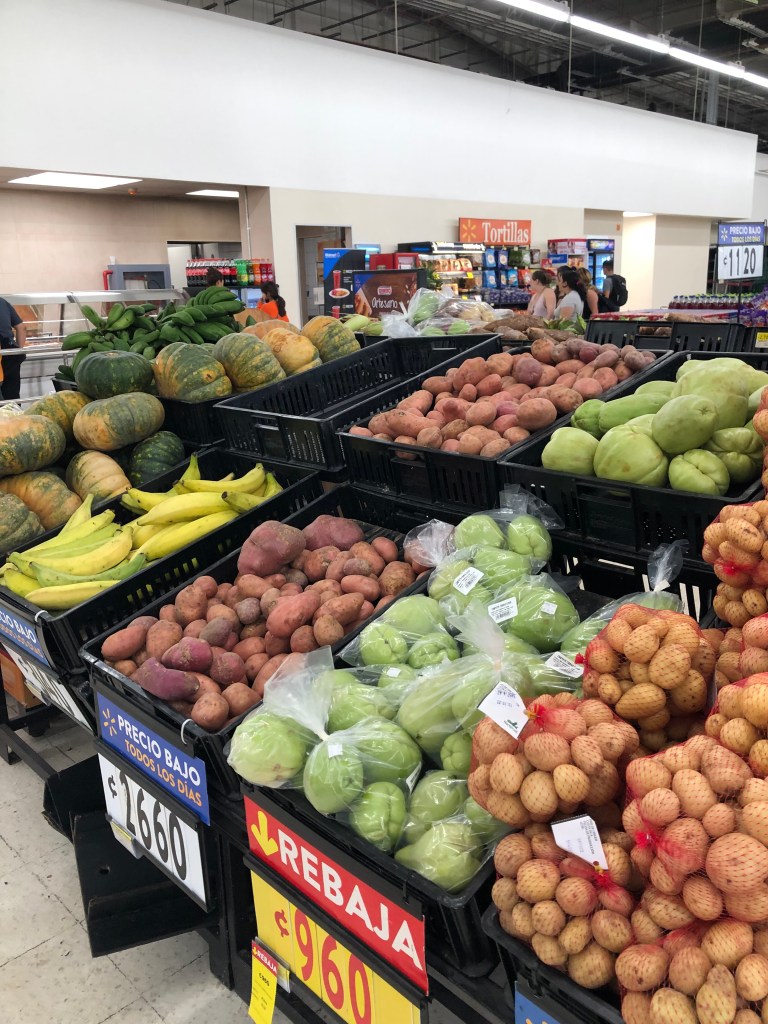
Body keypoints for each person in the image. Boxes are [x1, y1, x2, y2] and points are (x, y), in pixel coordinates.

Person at [0, 295, 26, 400]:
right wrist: (19, 350)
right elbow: (21, 328)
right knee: (12, 395)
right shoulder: (2, 302)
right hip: (10, 351)